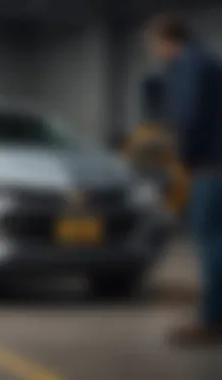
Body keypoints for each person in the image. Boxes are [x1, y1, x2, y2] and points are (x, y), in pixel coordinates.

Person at [146, 13, 222, 346]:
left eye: (153, 43)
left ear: (167, 39)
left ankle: (212, 320)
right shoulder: (207, 62)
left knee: (210, 242)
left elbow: (189, 115)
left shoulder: (190, 64)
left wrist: (184, 158)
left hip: (211, 166)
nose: (153, 50)